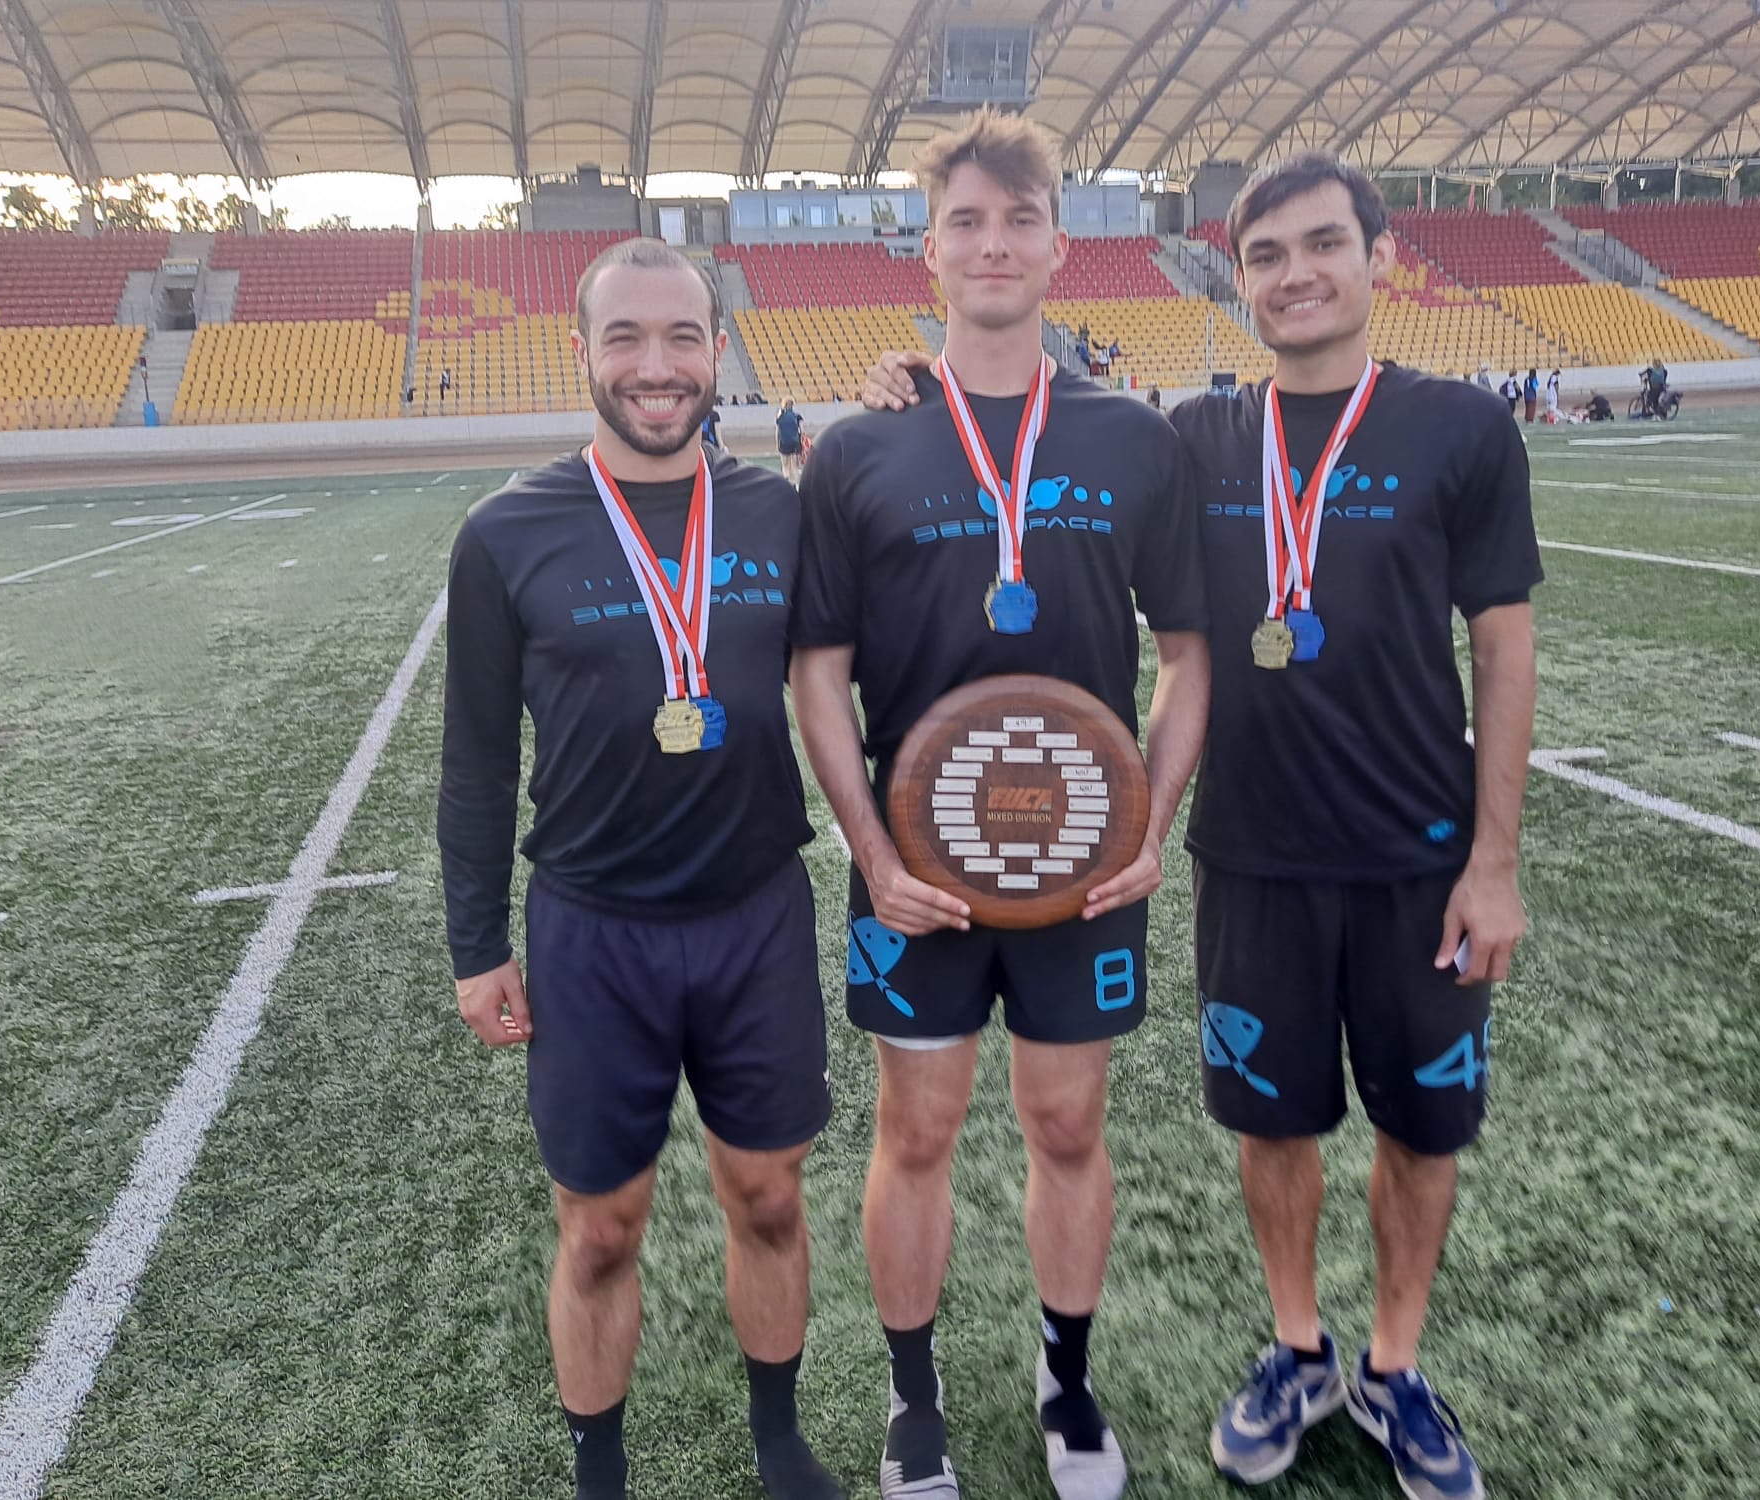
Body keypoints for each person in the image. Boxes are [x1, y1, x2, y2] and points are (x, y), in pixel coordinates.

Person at [789, 106, 1211, 1500]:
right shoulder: (860, 447)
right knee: (912, 1131)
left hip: (1081, 867)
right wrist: (868, 852)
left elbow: (1192, 658)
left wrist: (1149, 832)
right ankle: (915, 1408)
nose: (993, 243)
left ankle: (1067, 1382)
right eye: (966, 220)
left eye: (1019, 219)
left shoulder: (1137, 442)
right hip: (916, 870)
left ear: (1060, 244)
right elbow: (820, 679)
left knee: (1067, 1126)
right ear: (929, 250)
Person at [438, 238, 844, 1500]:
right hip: (590, 931)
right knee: (601, 1229)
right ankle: (598, 1476)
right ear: (584, 355)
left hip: (754, 918)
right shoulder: (505, 533)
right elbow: (472, 764)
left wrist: (906, 388)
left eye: (681, 337)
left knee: (767, 1198)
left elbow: (844, 685)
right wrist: (473, 944)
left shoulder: (783, 513)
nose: (655, 366)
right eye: (626, 338)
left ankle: (777, 1443)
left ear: (716, 350)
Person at [1171, 150, 1537, 1500]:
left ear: (1380, 260)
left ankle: (1392, 1367)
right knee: (1274, 1127)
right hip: (1253, 859)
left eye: (1324, 244)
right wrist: (905, 395)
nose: (1297, 273)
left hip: (1418, 862)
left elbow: (1503, 649)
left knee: (1423, 1134)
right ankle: (1297, 1347)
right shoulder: (1199, 439)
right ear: (1240, 280)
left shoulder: (1460, 429)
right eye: (1267, 255)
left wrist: (1493, 863)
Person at [776, 397, 806, 483]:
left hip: (784, 443)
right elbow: (802, 430)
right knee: (795, 467)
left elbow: (778, 432)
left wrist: (777, 443)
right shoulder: (797, 416)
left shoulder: (780, 417)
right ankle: (796, 485)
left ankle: (787, 483)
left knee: (785, 466)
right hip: (795, 442)